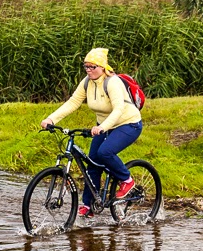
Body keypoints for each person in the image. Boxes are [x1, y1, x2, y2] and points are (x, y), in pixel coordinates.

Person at [40, 47, 142, 218]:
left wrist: (103, 127)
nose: (89, 70)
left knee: (105, 152)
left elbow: (118, 109)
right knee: (93, 162)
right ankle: (89, 205)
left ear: (102, 67)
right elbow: (73, 103)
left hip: (127, 124)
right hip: (104, 125)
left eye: (92, 67)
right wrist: (51, 119)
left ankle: (127, 180)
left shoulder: (113, 82)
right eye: (86, 67)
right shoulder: (87, 82)